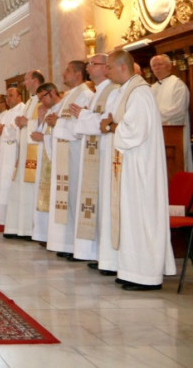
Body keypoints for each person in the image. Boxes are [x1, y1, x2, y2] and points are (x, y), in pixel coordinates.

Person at [101, 50, 175, 290]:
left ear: (122, 67)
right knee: (130, 218)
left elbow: (134, 131)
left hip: (141, 168)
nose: (106, 71)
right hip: (129, 166)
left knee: (141, 217)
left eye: (109, 67)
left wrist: (111, 126)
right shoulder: (128, 91)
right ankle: (130, 270)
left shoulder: (140, 93)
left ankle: (146, 276)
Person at [69, 54, 118, 268]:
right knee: (95, 204)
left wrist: (83, 116)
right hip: (94, 153)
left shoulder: (113, 91)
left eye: (92, 64)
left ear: (106, 68)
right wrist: (84, 116)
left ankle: (107, 257)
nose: (88, 67)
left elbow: (106, 123)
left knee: (104, 203)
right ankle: (98, 253)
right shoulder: (97, 92)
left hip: (106, 153)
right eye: (88, 64)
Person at [45, 61, 93, 259]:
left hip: (75, 154)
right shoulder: (69, 95)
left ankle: (78, 246)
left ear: (78, 74)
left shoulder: (86, 95)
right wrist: (54, 122)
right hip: (65, 155)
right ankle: (68, 243)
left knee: (75, 197)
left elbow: (81, 127)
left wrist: (58, 122)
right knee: (67, 199)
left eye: (67, 71)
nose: (63, 74)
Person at [4, 70, 44, 234]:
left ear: (35, 81)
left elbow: (44, 123)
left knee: (30, 190)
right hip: (24, 152)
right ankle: (20, 228)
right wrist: (20, 123)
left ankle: (30, 229)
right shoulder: (30, 101)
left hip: (35, 151)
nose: (24, 83)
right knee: (21, 189)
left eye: (26, 80)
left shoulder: (42, 98)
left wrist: (27, 123)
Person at [31, 82, 63, 243]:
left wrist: (43, 137)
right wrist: (40, 119)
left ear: (52, 92)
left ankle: (51, 235)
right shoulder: (49, 110)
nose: (41, 101)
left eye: (42, 97)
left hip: (55, 160)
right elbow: (39, 132)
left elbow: (62, 133)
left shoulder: (62, 108)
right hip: (45, 159)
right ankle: (44, 234)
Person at [149, 54, 193, 171]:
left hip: (173, 136)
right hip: (155, 136)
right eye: (154, 66)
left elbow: (178, 111)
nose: (157, 68)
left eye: (160, 64)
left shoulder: (177, 85)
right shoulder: (151, 88)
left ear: (169, 66)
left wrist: (153, 117)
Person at [0, 89, 24, 225]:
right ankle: (4, 219)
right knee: (4, 186)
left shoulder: (23, 110)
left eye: (11, 96)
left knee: (12, 186)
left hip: (14, 154)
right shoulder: (8, 113)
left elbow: (21, 131)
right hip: (4, 154)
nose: (8, 99)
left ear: (19, 96)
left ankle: (12, 220)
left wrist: (5, 130)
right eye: (7, 96)